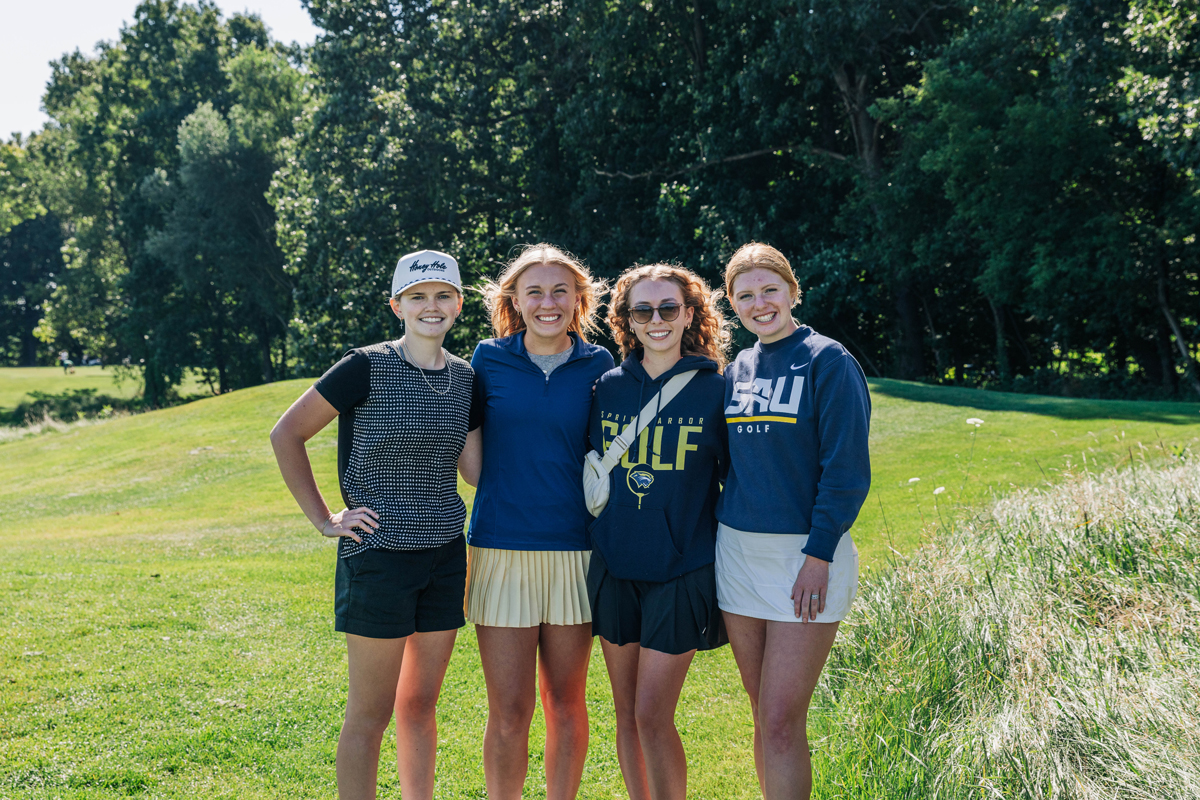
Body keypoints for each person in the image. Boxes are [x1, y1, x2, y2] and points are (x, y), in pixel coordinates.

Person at [270, 249, 480, 800]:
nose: (431, 306)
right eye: (417, 297)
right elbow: (286, 434)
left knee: (421, 704)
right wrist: (324, 519)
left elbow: (475, 470)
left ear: (459, 304)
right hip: (378, 555)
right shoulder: (364, 366)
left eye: (442, 295)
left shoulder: (466, 378)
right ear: (396, 306)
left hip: (445, 556)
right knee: (370, 713)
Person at [457, 243, 613, 800]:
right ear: (515, 302)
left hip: (576, 552)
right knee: (509, 709)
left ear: (578, 300)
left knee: (566, 703)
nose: (548, 303)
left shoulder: (600, 365)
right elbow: (471, 464)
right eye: (535, 292)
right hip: (500, 549)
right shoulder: (486, 359)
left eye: (560, 291)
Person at [716, 243, 871, 800]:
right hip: (738, 556)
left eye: (770, 290)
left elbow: (846, 471)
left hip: (805, 558)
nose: (759, 304)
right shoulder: (737, 369)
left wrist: (819, 554)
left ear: (792, 291)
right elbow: (728, 464)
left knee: (782, 720)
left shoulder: (828, 360)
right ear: (733, 304)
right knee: (763, 714)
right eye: (745, 295)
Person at [586, 263, 730, 800]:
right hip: (615, 566)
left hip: (682, 568)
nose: (656, 320)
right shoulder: (606, 388)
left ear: (690, 314)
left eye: (668, 308)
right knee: (626, 713)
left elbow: (738, 478)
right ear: (626, 320)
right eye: (642, 310)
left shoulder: (716, 389)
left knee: (652, 713)